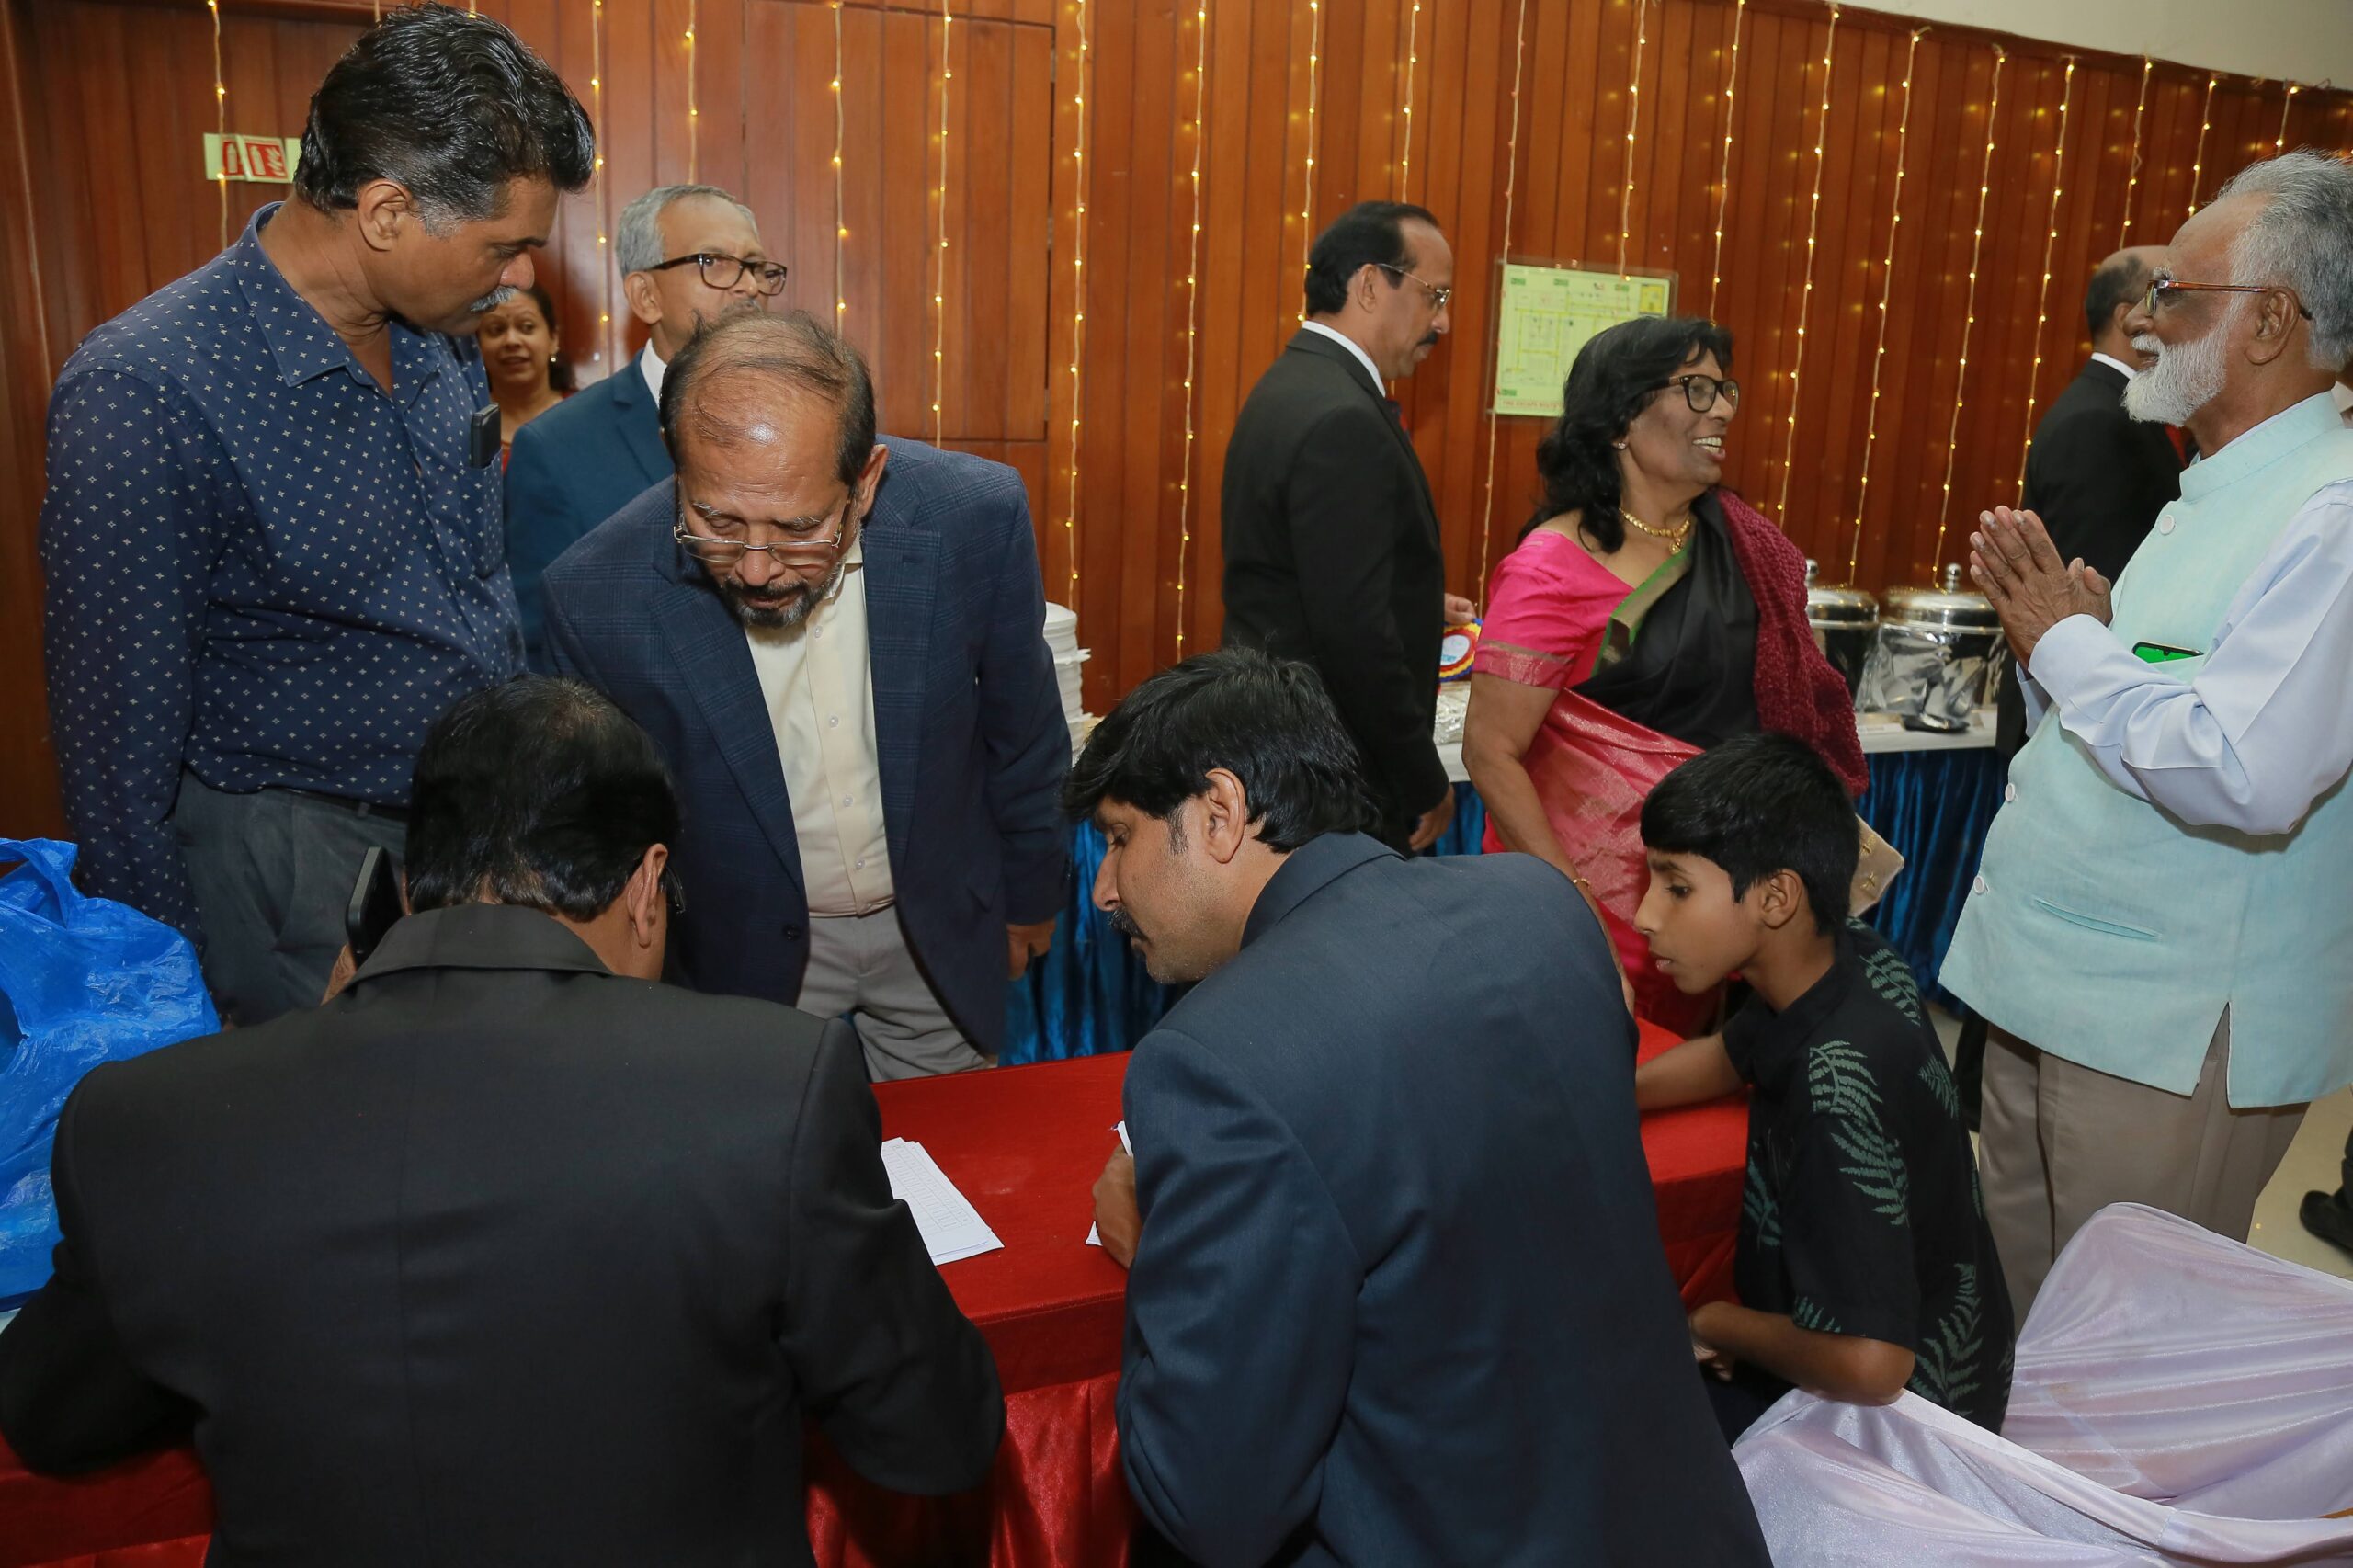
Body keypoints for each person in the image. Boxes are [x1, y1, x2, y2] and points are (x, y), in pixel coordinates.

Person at [0, 676, 1005, 1564]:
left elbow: (53, 1419)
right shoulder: (774, 1084)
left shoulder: (149, 1122)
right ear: (646, 885)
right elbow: (935, 1438)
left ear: (404, 885)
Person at [1078, 649, 1769, 1567]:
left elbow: (1211, 1502)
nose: (1104, 888)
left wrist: (1160, 1246)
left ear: (1218, 812)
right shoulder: (1542, 907)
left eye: (1118, 837)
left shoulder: (1215, 1060)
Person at [37, 6, 592, 1027]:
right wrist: (171, 1010)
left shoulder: (441, 332)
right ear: (386, 212)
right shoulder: (147, 391)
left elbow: (473, 585)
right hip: (288, 874)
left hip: (464, 838)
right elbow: (115, 770)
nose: (520, 277)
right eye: (505, 246)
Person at [1945, 151, 2353, 1322]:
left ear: (2269, 321)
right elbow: (2141, 713)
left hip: (2166, 1030)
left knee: (2122, 1352)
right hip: (2064, 986)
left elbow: (2245, 769)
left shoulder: (2328, 511)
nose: (2143, 320)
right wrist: (2073, 646)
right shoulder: (2214, 487)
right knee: (2023, 1324)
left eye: (2175, 293)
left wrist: (2068, 644)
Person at [542, 310, 1066, 1080]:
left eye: (797, 528)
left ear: (867, 480)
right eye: (716, 520)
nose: (755, 568)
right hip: (735, 949)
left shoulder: (974, 519)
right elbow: (604, 829)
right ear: (675, 463)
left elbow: (1023, 731)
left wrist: (1029, 900)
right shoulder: (596, 594)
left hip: (937, 933)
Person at [1462, 316, 1867, 1035]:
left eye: (1725, 390)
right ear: (1622, 420)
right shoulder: (1550, 570)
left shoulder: (1738, 543)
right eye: (1697, 389)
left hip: (1716, 898)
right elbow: (1490, 752)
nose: (1723, 410)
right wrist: (1576, 906)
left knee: (1701, 1080)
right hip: (1584, 902)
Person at [1632, 733, 2013, 1444]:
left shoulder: (1835, 1088)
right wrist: (1613, 1093)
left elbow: (1872, 1366)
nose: (1645, 915)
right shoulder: (1845, 953)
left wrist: (1715, 1322)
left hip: (1905, 1431)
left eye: (1676, 887)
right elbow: (1732, 1054)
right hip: (1924, 1348)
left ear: (1776, 897)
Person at [1219, 201, 1473, 855]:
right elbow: (1353, 632)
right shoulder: (1343, 417)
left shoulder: (1292, 384)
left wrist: (1416, 602)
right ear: (1369, 285)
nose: (1443, 321)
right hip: (1329, 771)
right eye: (1435, 295)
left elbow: (1308, 574)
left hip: (1280, 744)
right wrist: (1422, 776)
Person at [506, 183, 783, 664]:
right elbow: (541, 648)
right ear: (646, 296)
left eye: (756, 266)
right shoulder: (556, 449)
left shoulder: (799, 425)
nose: (749, 286)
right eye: (714, 262)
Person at [1992, 248, 2182, 757]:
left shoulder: (2118, 411)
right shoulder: (2102, 424)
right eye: (2168, 294)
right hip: (2074, 723)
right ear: (2129, 317)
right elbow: (2092, 582)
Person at [476, 280, 573, 466]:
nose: (511, 341)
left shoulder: (586, 416)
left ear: (553, 339)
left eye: (527, 327)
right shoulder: (463, 426)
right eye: (496, 330)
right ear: (478, 345)